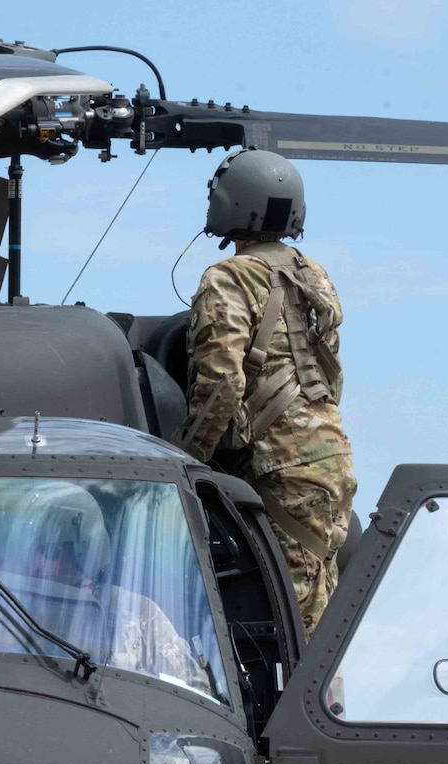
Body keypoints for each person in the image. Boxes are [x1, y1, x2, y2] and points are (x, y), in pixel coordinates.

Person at [181, 149, 356, 638]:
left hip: (281, 468)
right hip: (331, 457)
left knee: (289, 628)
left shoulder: (229, 278)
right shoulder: (313, 275)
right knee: (320, 614)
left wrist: (187, 464)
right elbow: (331, 373)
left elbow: (220, 386)